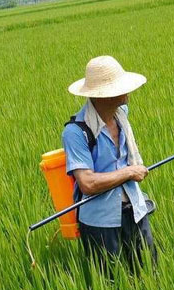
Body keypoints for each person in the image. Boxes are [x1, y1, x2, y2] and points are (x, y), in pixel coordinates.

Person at [62, 55, 157, 277]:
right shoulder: (76, 133)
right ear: (103, 96)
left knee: (149, 275)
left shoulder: (121, 114)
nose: (127, 92)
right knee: (112, 284)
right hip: (100, 222)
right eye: (120, 87)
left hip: (135, 210)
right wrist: (129, 172)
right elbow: (87, 183)